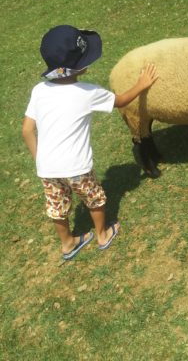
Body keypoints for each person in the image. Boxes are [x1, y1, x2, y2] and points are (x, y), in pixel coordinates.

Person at [22, 25, 158, 261]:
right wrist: (142, 84)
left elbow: (26, 130)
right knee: (94, 198)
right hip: (78, 167)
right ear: (79, 66)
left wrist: (40, 160)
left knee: (58, 206)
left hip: (47, 167)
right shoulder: (88, 92)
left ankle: (67, 244)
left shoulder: (39, 90)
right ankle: (102, 235)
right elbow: (122, 100)